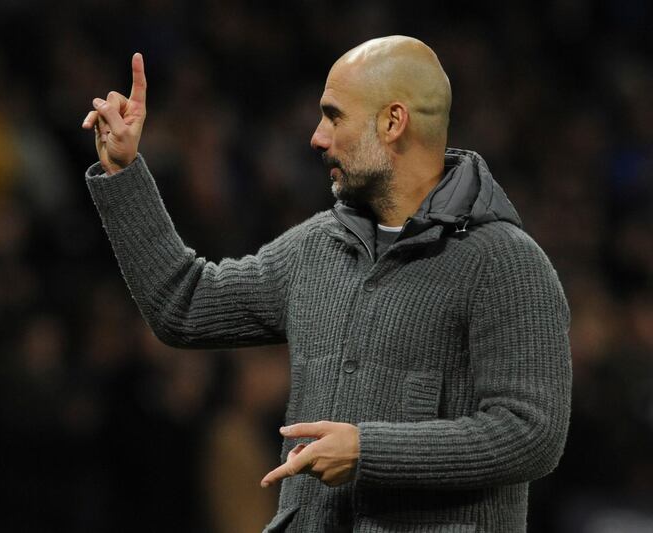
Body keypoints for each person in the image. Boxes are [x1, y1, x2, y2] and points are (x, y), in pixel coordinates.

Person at [81, 36, 572, 533]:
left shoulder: (505, 262)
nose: (316, 137)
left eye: (334, 116)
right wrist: (122, 171)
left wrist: (368, 450)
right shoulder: (316, 247)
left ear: (393, 122)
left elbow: (531, 433)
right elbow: (183, 304)